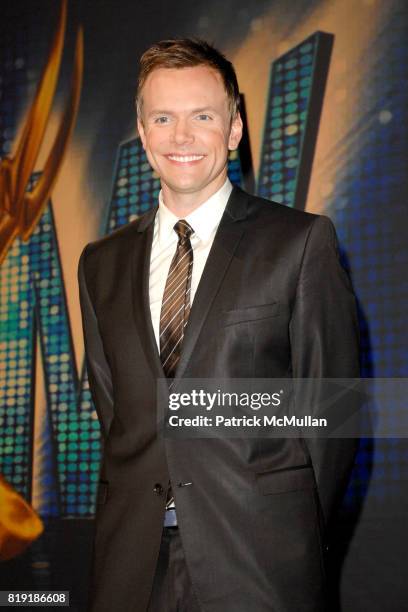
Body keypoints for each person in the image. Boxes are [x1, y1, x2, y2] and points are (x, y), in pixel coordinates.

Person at [78, 38, 360, 612]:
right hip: (131, 565)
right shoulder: (99, 262)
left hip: (260, 561)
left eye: (202, 117)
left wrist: (290, 528)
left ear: (233, 129)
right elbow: (118, 410)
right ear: (143, 131)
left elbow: (332, 411)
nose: (182, 137)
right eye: (164, 118)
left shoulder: (300, 243)